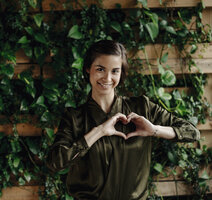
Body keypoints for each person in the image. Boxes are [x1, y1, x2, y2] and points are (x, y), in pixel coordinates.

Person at [46, 40, 200, 200]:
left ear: (121, 73)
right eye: (100, 69)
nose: (107, 77)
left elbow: (191, 132)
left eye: (115, 71)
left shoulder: (143, 108)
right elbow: (55, 162)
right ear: (87, 69)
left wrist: (154, 130)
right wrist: (98, 132)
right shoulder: (74, 118)